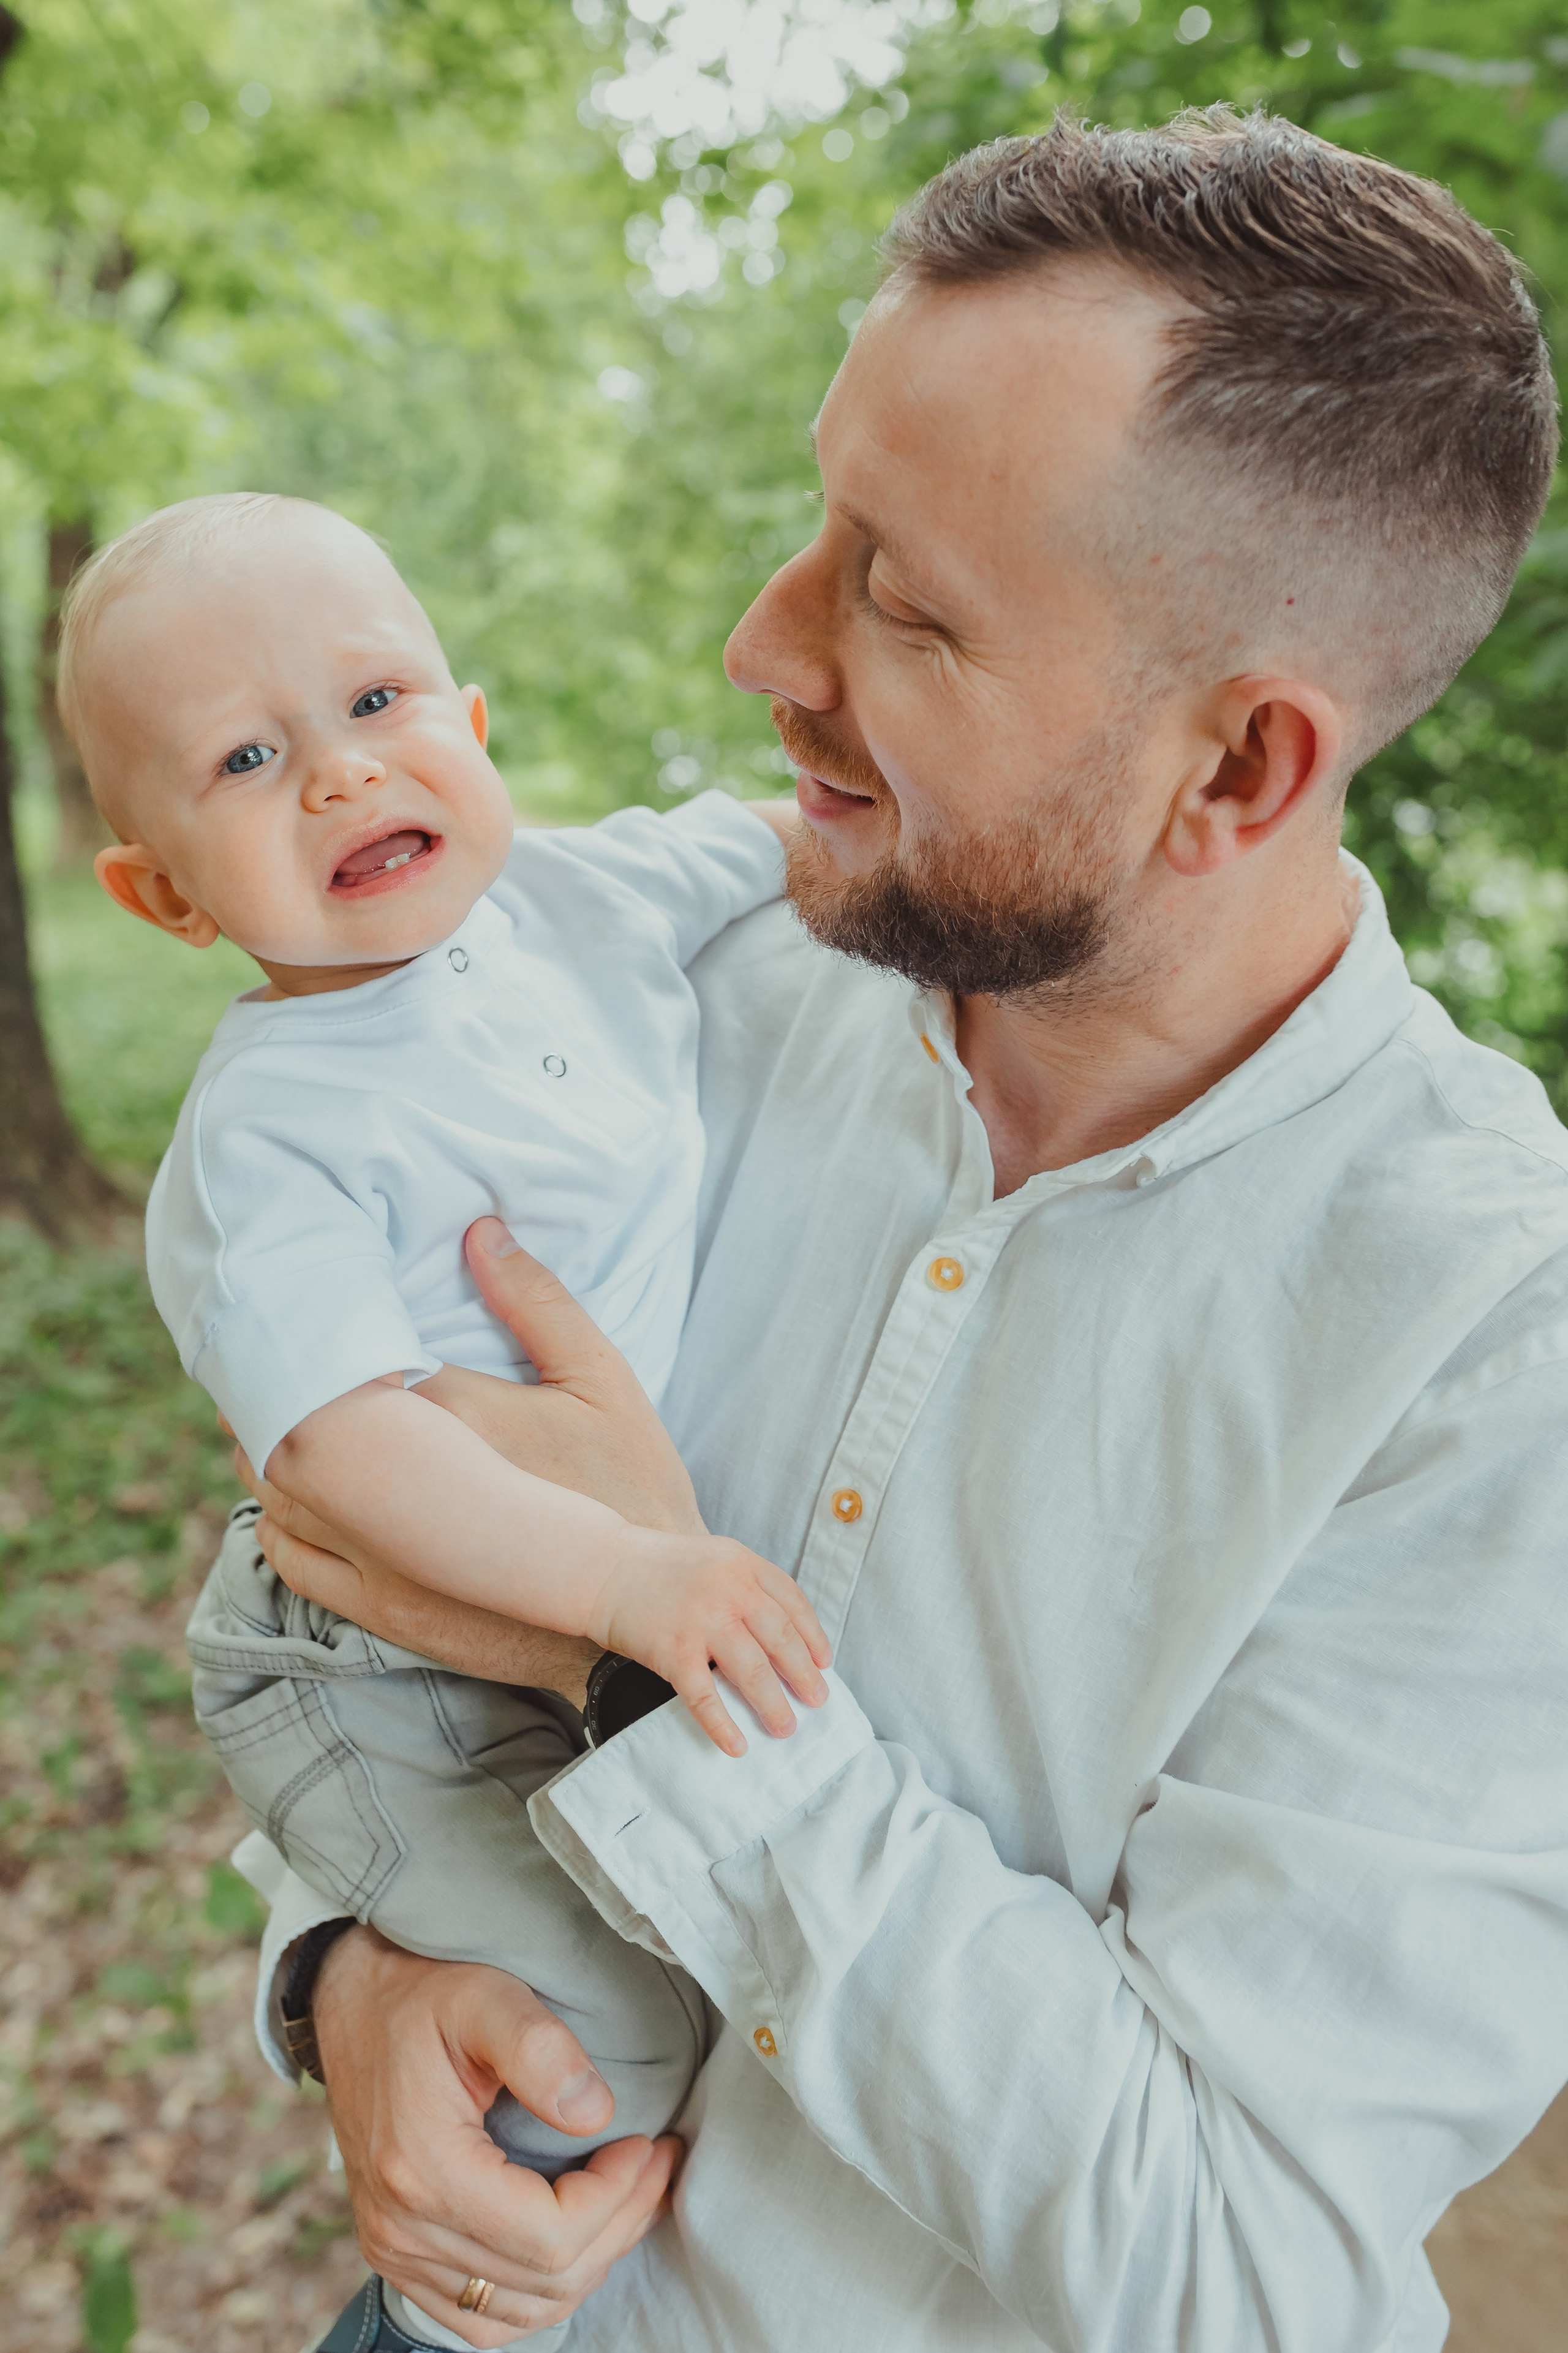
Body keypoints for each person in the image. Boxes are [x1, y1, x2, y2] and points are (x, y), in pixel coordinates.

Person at [235, 110, 1568, 2353]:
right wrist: (344, 1967)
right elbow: (336, 1563)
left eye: (906, 600)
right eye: (819, 525)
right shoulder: (676, 988)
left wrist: (643, 1661)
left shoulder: (1489, 1338)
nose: (766, 642)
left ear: (1239, 770)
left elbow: (1234, 2271)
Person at [57, 496, 831, 2343]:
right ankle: (467, 2317)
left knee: (647, 1966)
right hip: (368, 1661)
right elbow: (338, 1455)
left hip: (552, 1608)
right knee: (602, 2033)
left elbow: (821, 842)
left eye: (378, 699)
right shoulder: (278, 1127)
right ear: (164, 892)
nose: (339, 775)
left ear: (472, 732)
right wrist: (628, 1581)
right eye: (248, 758)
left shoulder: (589, 894)